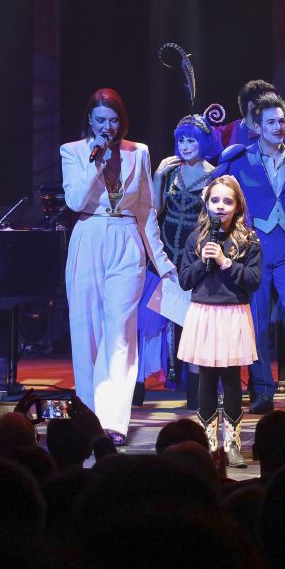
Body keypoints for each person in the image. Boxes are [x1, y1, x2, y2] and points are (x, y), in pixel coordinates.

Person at [60, 88, 175, 435]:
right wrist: (95, 162)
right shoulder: (73, 151)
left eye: (113, 120)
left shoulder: (138, 152)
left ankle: (113, 422)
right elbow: (75, 201)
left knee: (120, 332)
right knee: (86, 332)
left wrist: (162, 262)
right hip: (88, 236)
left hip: (126, 240)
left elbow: (146, 211)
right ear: (89, 120)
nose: (107, 127)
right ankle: (88, 418)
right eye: (100, 120)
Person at [214, 93, 285, 415]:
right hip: (255, 247)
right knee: (257, 320)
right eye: (271, 122)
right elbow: (222, 200)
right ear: (257, 127)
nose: (278, 127)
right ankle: (262, 390)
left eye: (281, 121)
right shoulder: (239, 159)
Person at [177, 175, 262, 468]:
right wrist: (203, 262)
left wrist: (226, 262)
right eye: (215, 200)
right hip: (204, 312)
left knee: (231, 378)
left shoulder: (248, 239)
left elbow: (253, 280)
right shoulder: (196, 238)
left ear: (238, 206)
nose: (220, 206)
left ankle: (233, 444)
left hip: (232, 313)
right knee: (207, 378)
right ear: (206, 203)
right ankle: (209, 443)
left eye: (227, 201)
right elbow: (185, 280)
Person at [136, 112, 218, 408]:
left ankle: (196, 395)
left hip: (194, 258)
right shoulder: (171, 172)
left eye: (191, 141)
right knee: (148, 323)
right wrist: (157, 176)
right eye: (181, 140)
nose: (185, 146)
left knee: (194, 326)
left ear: (203, 142)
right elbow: (155, 210)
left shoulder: (215, 175)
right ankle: (137, 388)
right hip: (164, 255)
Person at [215, 79, 285, 151]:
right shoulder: (223, 134)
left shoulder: (282, 132)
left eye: (276, 104)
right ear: (251, 106)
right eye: (268, 104)